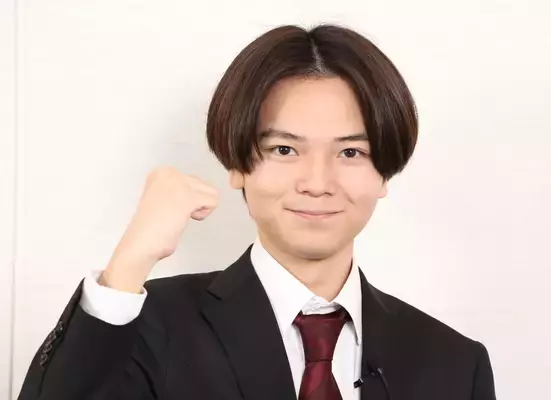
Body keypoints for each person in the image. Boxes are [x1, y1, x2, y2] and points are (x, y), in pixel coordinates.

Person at [18, 24, 496, 400]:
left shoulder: (453, 362)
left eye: (350, 152)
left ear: (384, 173)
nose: (317, 183)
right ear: (238, 165)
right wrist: (129, 263)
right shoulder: (151, 327)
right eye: (285, 150)